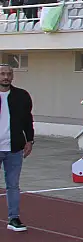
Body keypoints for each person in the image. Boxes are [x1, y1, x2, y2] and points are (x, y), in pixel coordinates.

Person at [0, 64, 33, 232]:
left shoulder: (22, 96)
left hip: (14, 148)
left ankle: (13, 218)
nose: (6, 77)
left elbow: (28, 119)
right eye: (2, 74)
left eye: (9, 74)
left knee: (13, 185)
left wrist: (30, 140)